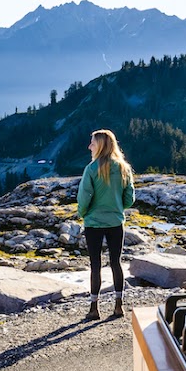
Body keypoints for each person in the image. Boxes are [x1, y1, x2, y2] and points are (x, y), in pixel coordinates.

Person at [75, 128, 135, 320]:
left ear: (99, 145)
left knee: (95, 265)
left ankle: (94, 308)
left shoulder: (91, 169)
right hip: (115, 222)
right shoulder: (124, 168)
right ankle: (119, 305)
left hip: (93, 223)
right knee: (116, 263)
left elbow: (84, 197)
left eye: (92, 142)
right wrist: (118, 207)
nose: (89, 146)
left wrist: (83, 213)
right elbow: (130, 198)